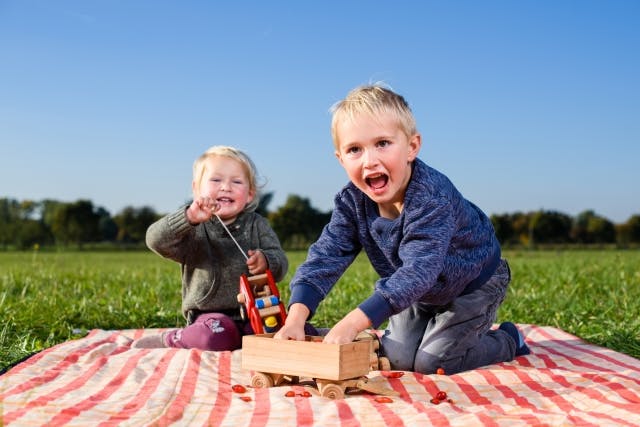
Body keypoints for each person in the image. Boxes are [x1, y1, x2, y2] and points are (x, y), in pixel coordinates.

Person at [274, 84, 530, 374]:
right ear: (340, 159)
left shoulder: (431, 198)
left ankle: (509, 339)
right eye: (355, 149)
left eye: (382, 143)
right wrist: (296, 317)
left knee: (432, 362)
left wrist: (353, 322)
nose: (370, 160)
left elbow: (419, 270)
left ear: (412, 147)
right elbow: (327, 255)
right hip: (416, 290)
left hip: (473, 283)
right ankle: (413, 333)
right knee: (397, 358)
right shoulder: (352, 202)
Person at [132, 145, 288, 350]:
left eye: (237, 181)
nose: (226, 187)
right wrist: (188, 218)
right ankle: (175, 338)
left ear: (250, 194)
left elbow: (281, 263)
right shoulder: (194, 227)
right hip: (210, 319)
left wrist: (266, 260)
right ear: (197, 188)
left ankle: (317, 335)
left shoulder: (258, 225)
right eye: (216, 180)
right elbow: (155, 240)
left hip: (256, 313)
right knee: (213, 337)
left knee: (280, 334)